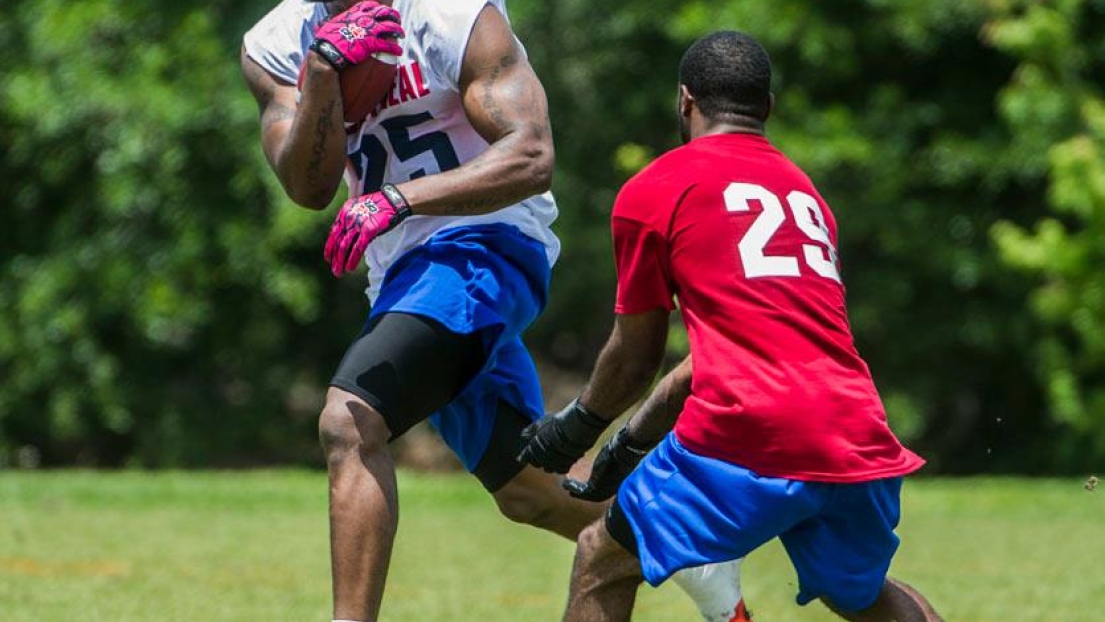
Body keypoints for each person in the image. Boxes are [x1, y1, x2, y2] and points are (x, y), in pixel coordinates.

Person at [239, 2, 745, 621]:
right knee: (530, 490)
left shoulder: (450, 14)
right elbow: (307, 189)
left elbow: (531, 155)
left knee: (350, 420)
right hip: (402, 275)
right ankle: (693, 550)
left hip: (485, 243)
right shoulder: (275, 42)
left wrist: (398, 199)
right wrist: (321, 72)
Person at [518, 30, 945, 622]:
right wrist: (626, 444)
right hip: (855, 428)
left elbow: (636, 357)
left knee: (602, 558)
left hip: (750, 429)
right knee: (865, 596)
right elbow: (731, 354)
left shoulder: (655, 188)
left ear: (685, 101)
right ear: (766, 107)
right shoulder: (805, 193)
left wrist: (579, 425)